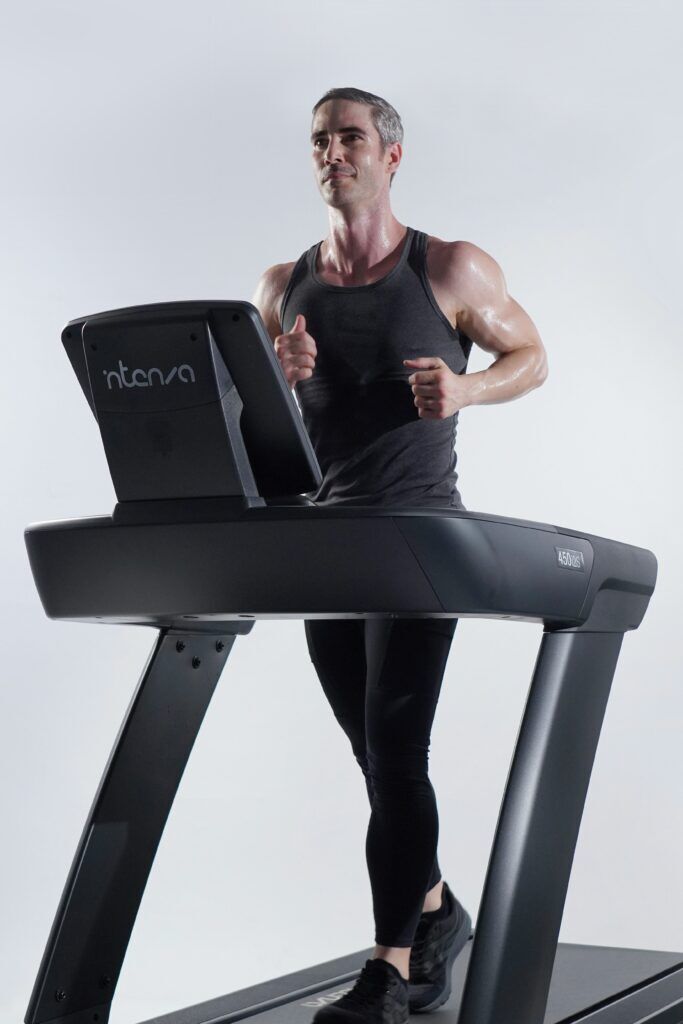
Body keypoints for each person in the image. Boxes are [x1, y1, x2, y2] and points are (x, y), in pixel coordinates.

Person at [252, 86, 548, 1023]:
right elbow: (253, 436)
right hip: (327, 544)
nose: (330, 153)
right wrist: (274, 378)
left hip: (419, 540)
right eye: (318, 141)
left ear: (390, 155)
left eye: (347, 137)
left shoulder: (450, 267)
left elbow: (532, 355)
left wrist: (465, 390)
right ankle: (435, 911)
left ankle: (388, 969)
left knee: (396, 745)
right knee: (373, 759)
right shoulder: (279, 286)